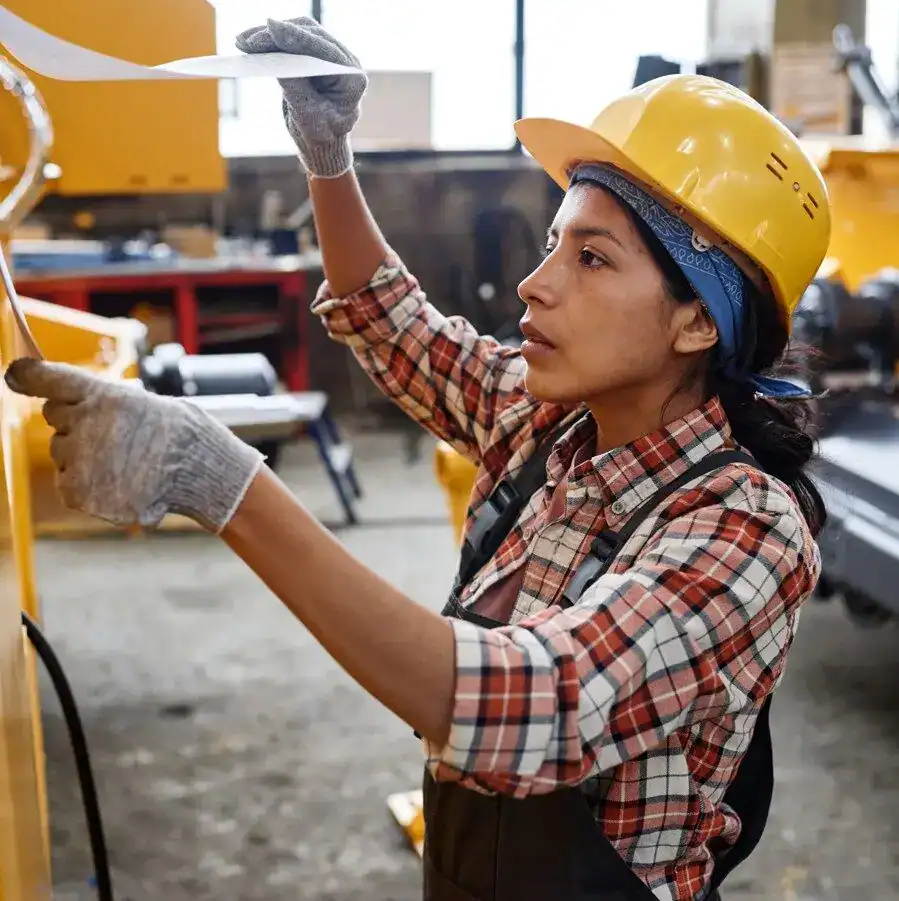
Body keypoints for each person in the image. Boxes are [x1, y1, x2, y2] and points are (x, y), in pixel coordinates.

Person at [3, 18, 832, 901]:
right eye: (555, 242)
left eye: (591, 258)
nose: (536, 281)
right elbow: (393, 323)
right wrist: (329, 160)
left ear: (698, 320)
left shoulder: (745, 532)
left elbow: (533, 705)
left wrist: (227, 486)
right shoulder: (546, 421)